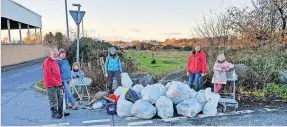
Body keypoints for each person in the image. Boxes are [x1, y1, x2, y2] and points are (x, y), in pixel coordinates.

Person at [42, 48, 70, 119]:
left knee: (60, 98)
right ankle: (54, 113)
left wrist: (60, 83)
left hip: (58, 84)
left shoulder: (55, 61)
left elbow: (58, 74)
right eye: (54, 54)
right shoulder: (47, 62)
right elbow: (49, 76)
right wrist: (59, 83)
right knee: (53, 99)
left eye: (56, 54)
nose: (56, 56)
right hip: (50, 85)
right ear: (50, 54)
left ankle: (61, 112)